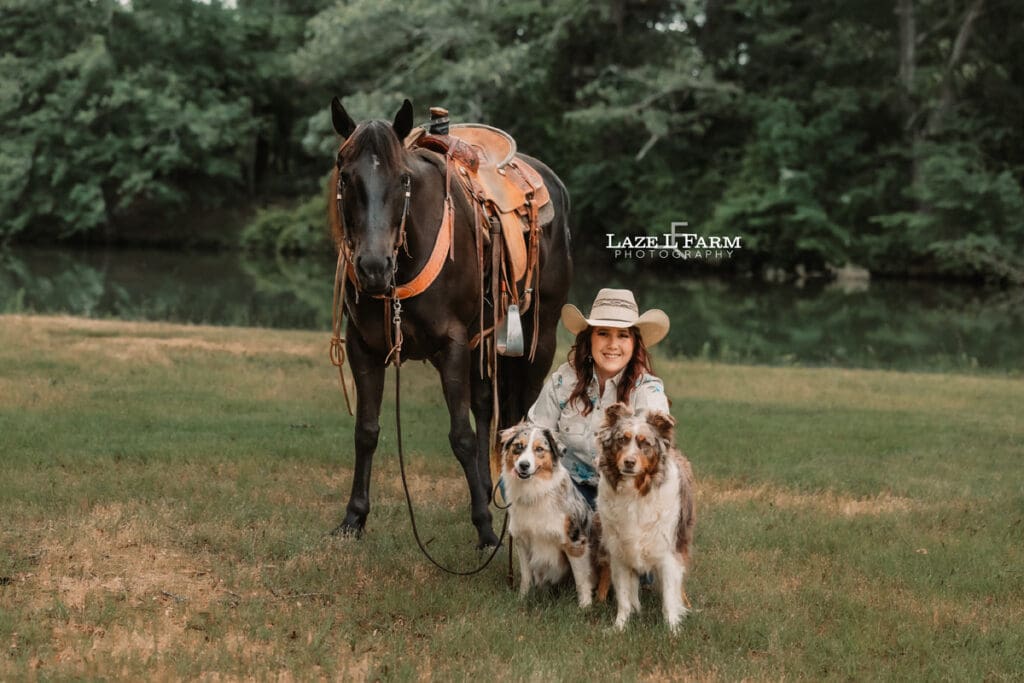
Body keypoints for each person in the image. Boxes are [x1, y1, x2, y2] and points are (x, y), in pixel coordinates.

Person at [527, 288, 670, 508]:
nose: (613, 344)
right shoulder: (563, 381)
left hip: (623, 492)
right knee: (517, 481)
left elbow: (655, 455)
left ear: (634, 344)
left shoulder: (648, 391)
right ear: (589, 338)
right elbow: (535, 435)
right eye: (603, 333)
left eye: (623, 335)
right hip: (568, 486)